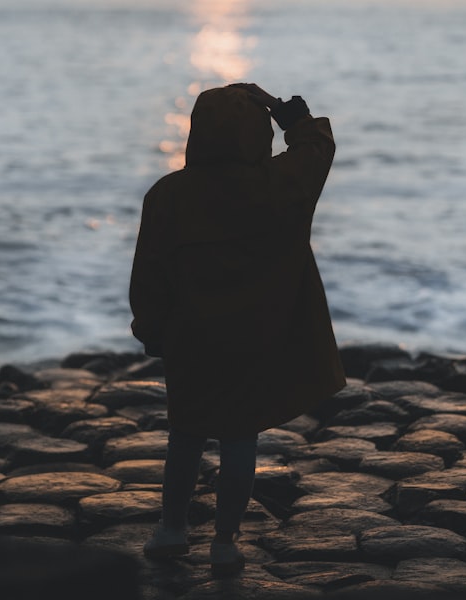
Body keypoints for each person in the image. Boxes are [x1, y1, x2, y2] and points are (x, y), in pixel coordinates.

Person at [129, 83, 345, 576]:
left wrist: (150, 329)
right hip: (257, 335)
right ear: (257, 134)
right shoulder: (277, 184)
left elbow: (149, 273)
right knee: (239, 439)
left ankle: (171, 531)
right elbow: (317, 151)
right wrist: (296, 120)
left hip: (190, 339)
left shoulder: (168, 195)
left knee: (184, 436)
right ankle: (225, 542)